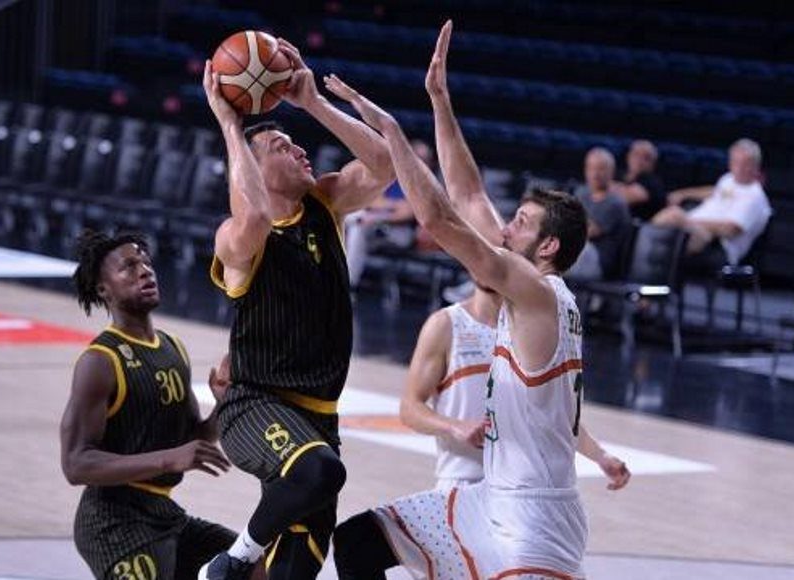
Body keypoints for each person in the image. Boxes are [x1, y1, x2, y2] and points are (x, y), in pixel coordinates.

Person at [326, 21, 629, 579]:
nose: (504, 228)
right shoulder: (528, 284)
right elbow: (467, 196)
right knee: (360, 540)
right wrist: (440, 100)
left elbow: (440, 218)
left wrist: (392, 134)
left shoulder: (537, 293)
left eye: (520, 223)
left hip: (537, 519)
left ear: (548, 247)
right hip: (487, 499)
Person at [198, 36, 394, 580]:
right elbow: (255, 216)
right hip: (255, 405)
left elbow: (384, 165)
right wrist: (230, 125)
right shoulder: (237, 237)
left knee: (296, 568)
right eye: (283, 146)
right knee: (318, 473)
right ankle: (232, 563)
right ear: (254, 169)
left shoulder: (324, 205)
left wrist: (313, 102)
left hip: (319, 416)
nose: (301, 150)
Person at [60, 230, 259, 580]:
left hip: (162, 512)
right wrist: (168, 459)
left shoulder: (172, 347)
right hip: (113, 521)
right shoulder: (100, 361)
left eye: (146, 262)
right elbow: (76, 464)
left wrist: (223, 406)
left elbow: (191, 439)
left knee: (255, 569)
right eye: (129, 266)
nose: (145, 271)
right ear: (103, 289)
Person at [399, 282, 501, 491]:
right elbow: (409, 408)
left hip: (521, 484)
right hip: (462, 480)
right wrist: (454, 426)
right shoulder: (446, 324)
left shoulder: (530, 326)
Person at [652, 138, 772, 274]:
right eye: (735, 162)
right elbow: (715, 191)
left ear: (755, 166)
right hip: (696, 231)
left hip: (717, 245)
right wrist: (683, 193)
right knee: (664, 234)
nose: (738, 169)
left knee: (672, 218)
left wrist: (688, 221)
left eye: (744, 164)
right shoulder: (728, 179)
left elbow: (730, 229)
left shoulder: (754, 196)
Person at [344, 139, 434, 288]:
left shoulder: (426, 186)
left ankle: (346, 283)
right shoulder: (393, 176)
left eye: (423, 160)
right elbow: (372, 200)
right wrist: (395, 206)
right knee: (355, 226)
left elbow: (407, 214)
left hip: (402, 233)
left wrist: (378, 216)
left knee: (357, 225)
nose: (418, 163)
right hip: (374, 226)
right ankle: (343, 280)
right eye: (415, 157)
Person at [574, 147, 632, 280]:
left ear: (611, 172)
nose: (595, 174)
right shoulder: (581, 193)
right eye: (591, 168)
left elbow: (586, 232)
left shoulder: (615, 203)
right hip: (578, 251)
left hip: (598, 260)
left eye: (601, 169)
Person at [611, 139, 665, 221]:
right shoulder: (617, 174)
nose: (639, 160)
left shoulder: (653, 183)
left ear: (653, 164)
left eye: (646, 158)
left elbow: (623, 198)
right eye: (636, 155)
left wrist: (604, 187)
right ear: (628, 156)